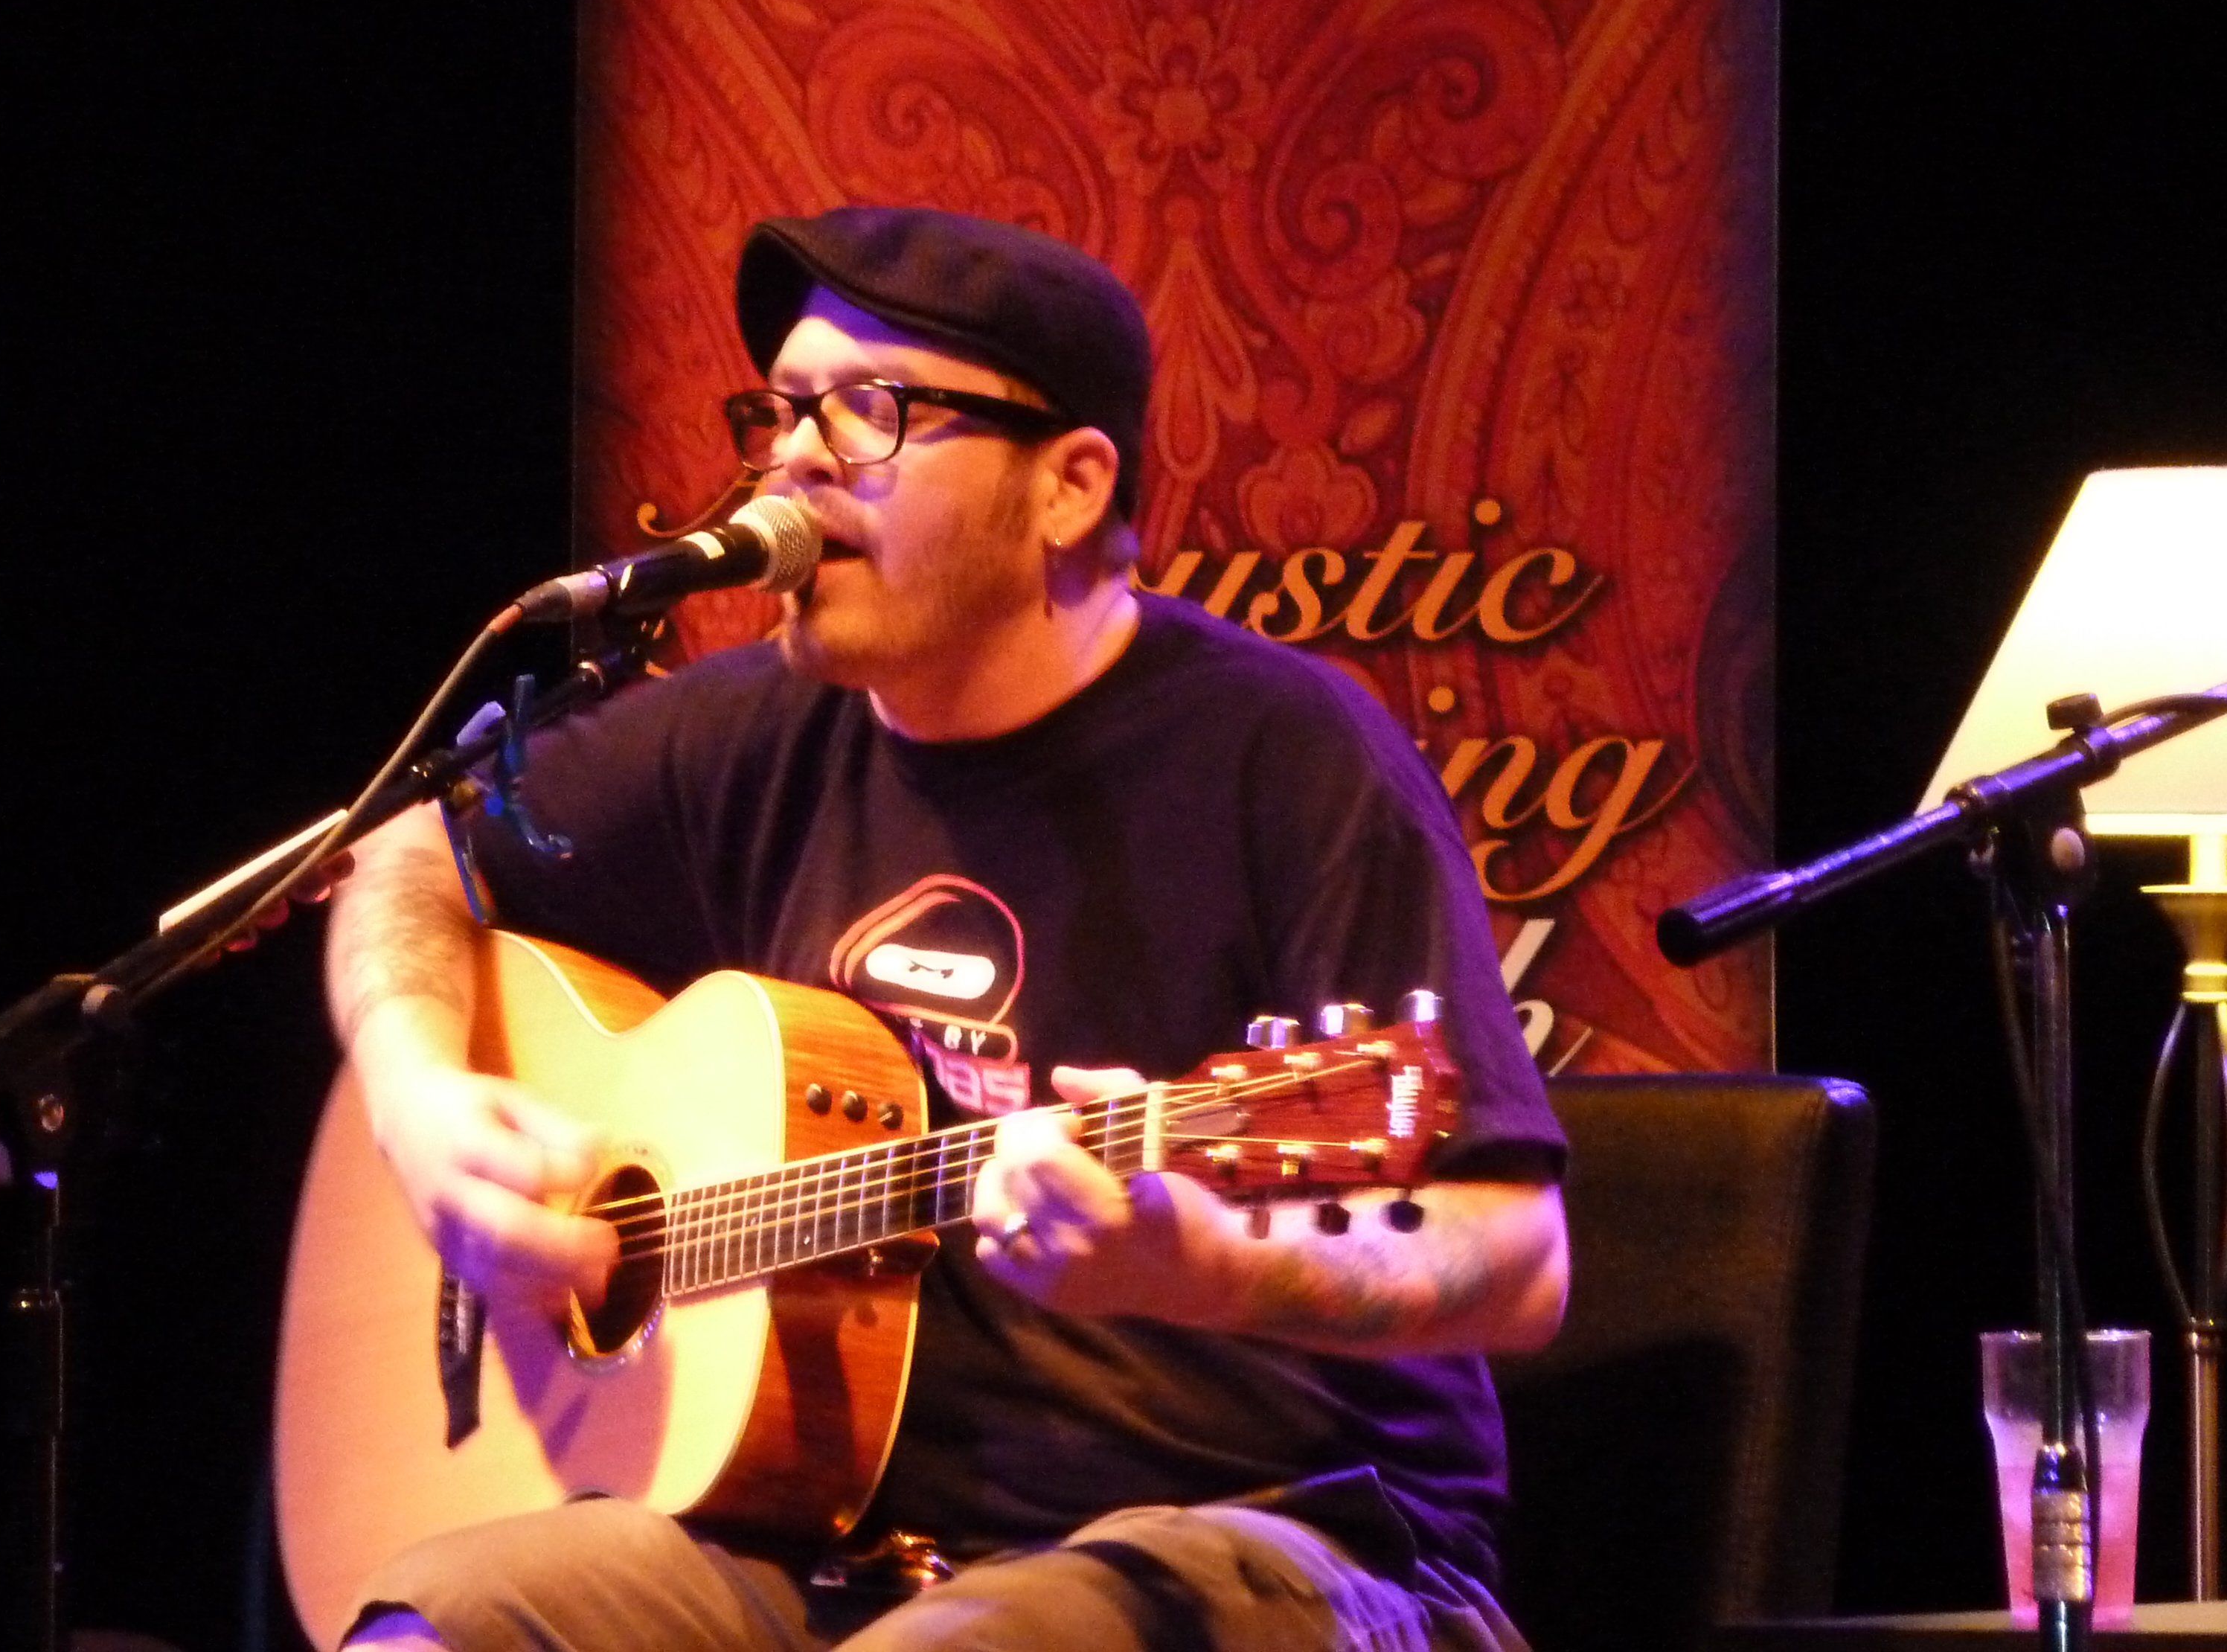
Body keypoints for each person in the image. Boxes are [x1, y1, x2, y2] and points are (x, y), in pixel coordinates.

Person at [321, 206, 1569, 1651]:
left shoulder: (1290, 758)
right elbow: (404, 850)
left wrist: (1209, 1268)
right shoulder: (751, 731)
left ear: (1068, 486)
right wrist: (419, 1102)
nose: (792, 460)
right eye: (781, 412)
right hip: (821, 1538)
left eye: (869, 411)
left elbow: (1516, 1259)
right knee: (432, 1632)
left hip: (1271, 1540)